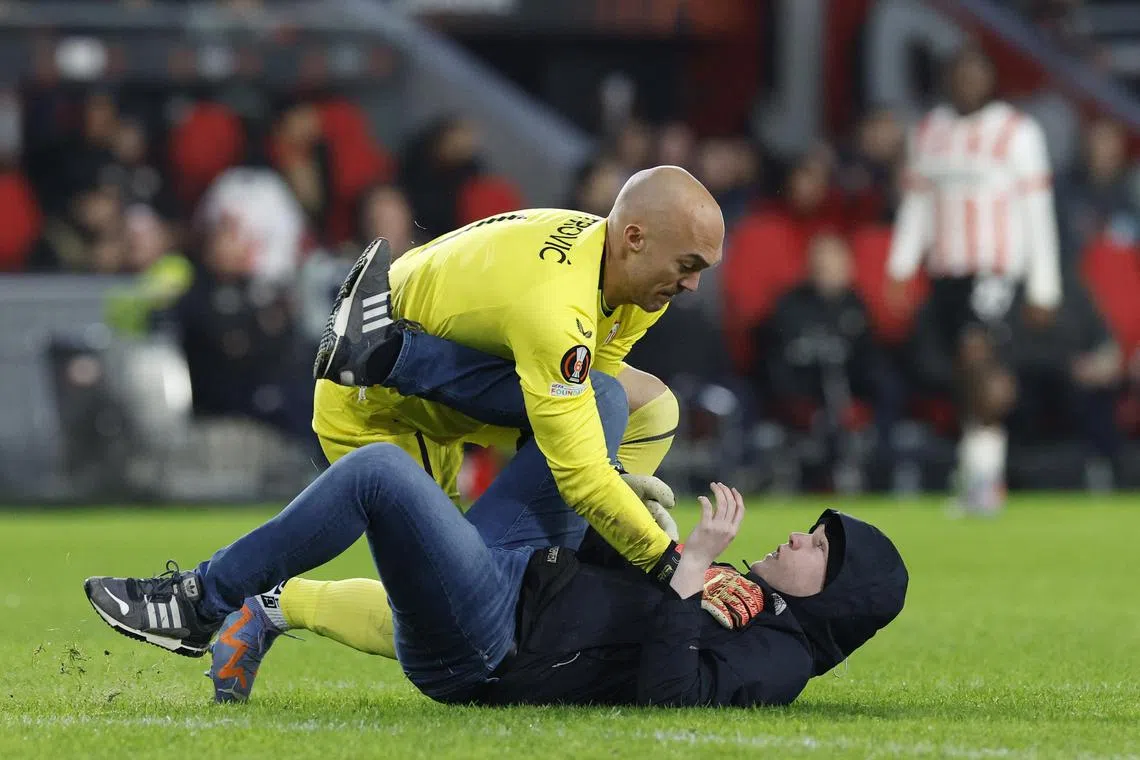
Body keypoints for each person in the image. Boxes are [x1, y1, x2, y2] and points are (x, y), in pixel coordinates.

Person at [83, 371, 907, 707]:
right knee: (605, 400)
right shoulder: (749, 592)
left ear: (832, 594)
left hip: (493, 643)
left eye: (819, 548)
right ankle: (410, 370)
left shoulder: (783, 658)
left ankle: (200, 601)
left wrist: (687, 565)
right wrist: (627, 517)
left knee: (379, 475)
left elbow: (668, 694)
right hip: (527, 570)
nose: (801, 536)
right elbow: (607, 594)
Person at [310, 165, 721, 599]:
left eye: (703, 269)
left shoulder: (628, 277)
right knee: (450, 602)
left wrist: (610, 473)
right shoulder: (558, 306)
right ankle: (273, 607)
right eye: (687, 264)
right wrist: (671, 563)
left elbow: (590, 387)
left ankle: (572, 562)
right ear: (635, 239)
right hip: (375, 406)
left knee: (647, 405)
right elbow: (579, 470)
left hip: (441, 379)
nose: (693, 284)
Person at [886, 45, 1062, 513]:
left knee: (977, 359)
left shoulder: (1017, 132)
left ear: (989, 78)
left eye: (976, 71)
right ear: (948, 78)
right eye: (959, 72)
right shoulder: (930, 132)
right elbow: (918, 205)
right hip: (947, 273)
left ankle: (985, 481)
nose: (967, 81)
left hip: (995, 269)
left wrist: (1045, 284)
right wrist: (901, 266)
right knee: (965, 374)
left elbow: (1037, 209)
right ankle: (979, 473)